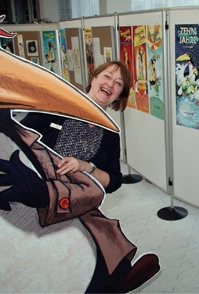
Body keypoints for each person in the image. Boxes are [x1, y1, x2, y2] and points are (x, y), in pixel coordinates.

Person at [17, 61, 160, 293]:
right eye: (107, 76)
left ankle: (116, 278)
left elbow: (113, 181)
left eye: (118, 84)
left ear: (117, 98)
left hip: (74, 197)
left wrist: (86, 167)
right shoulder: (56, 105)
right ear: (93, 79)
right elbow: (20, 137)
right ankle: (116, 277)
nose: (110, 84)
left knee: (101, 230)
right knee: (97, 230)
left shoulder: (110, 133)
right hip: (37, 186)